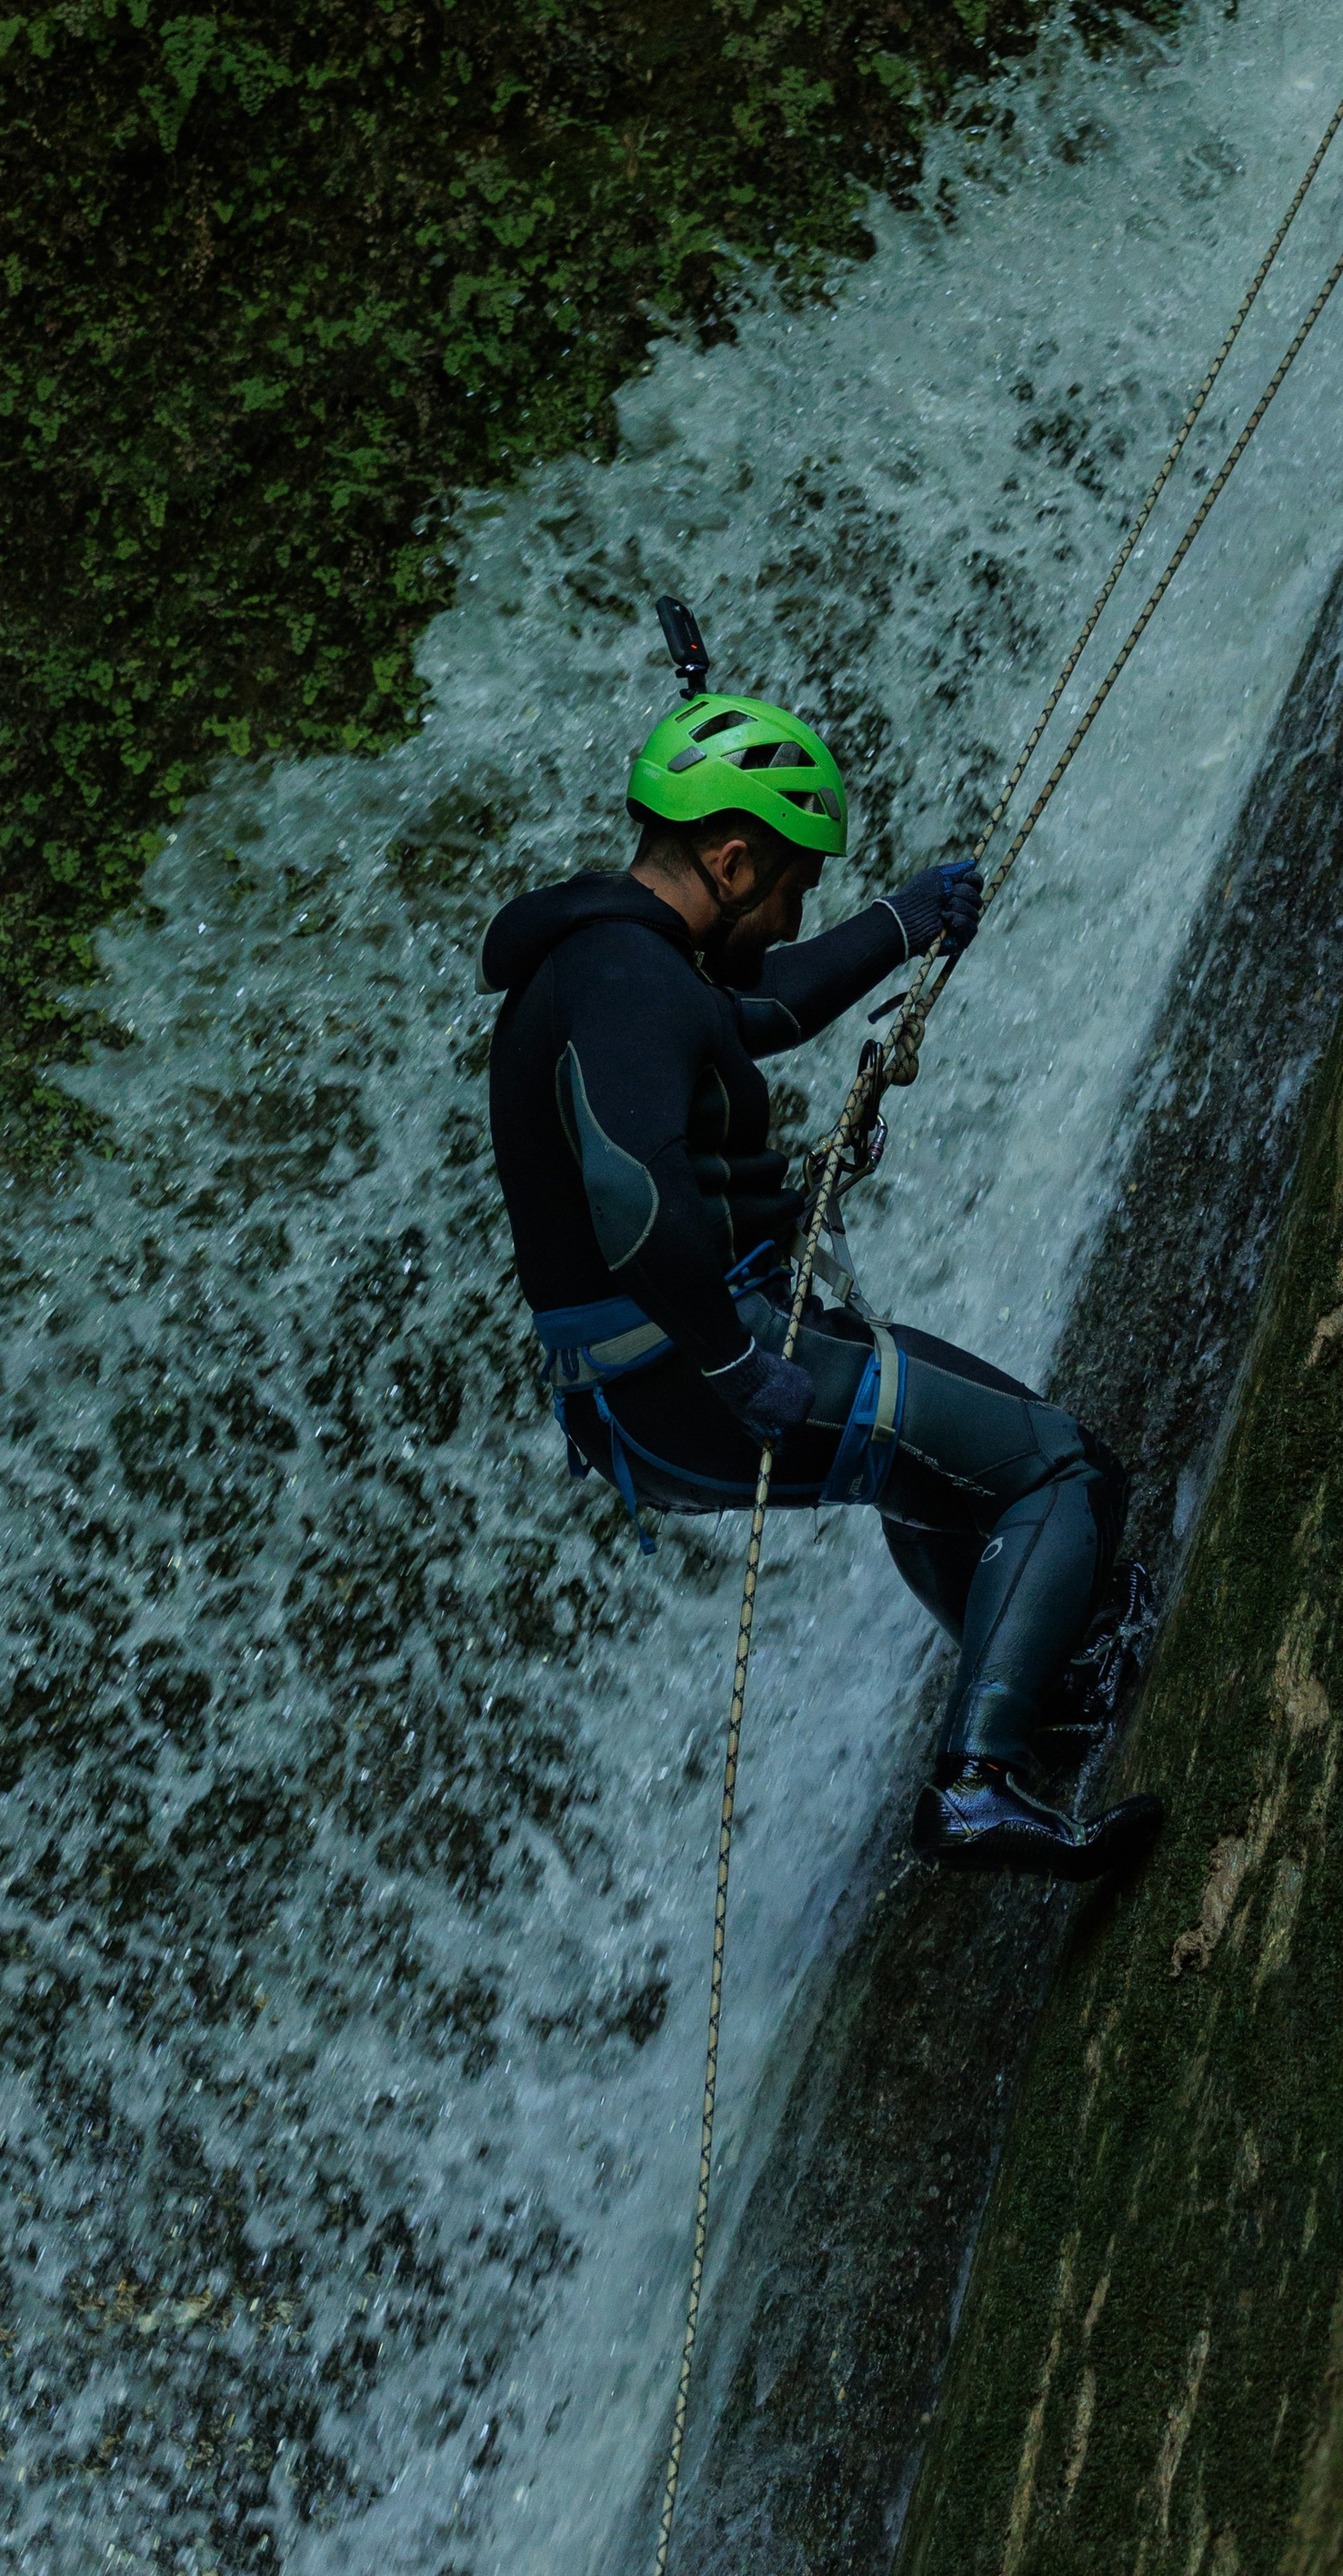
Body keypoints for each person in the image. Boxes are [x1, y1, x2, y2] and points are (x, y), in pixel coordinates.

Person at [480, 676, 1164, 1881]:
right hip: (700, 1373)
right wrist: (740, 1362)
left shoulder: (613, 964)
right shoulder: (625, 978)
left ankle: (1033, 1693)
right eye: (795, 889)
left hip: (641, 1399)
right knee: (1059, 1468)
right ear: (734, 862)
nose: (799, 919)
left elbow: (764, 1009)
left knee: (926, 1473)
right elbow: (633, 1200)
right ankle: (976, 1786)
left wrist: (906, 922)